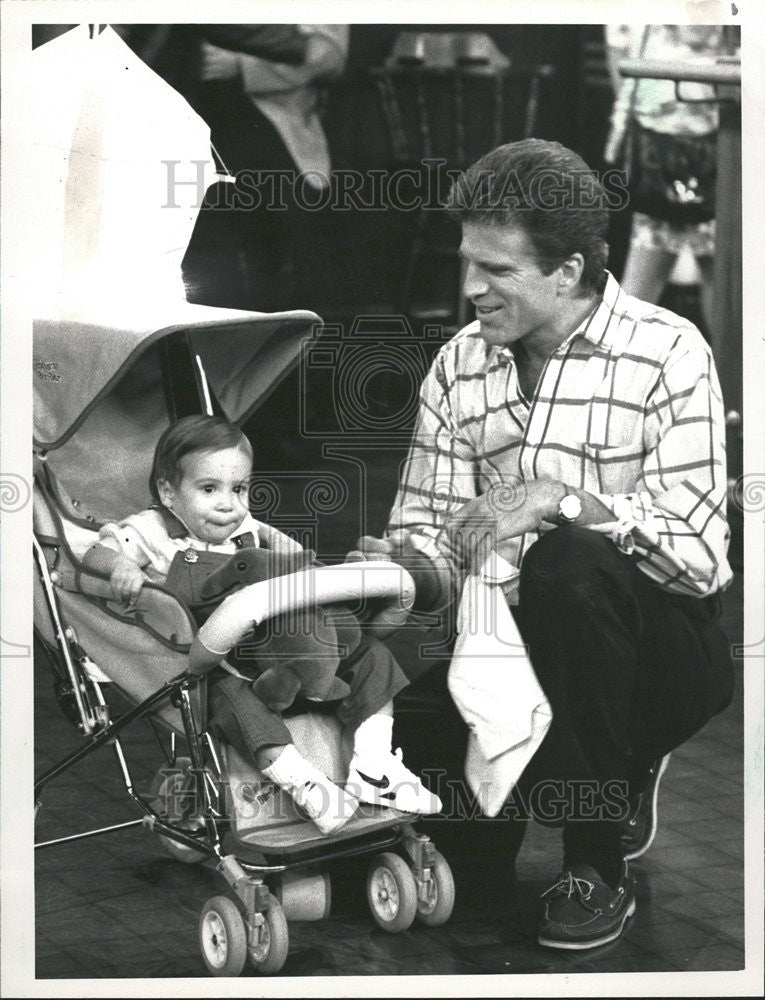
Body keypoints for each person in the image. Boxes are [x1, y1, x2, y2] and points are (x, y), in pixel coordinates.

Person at [355, 139, 734, 949]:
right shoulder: (460, 365)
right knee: (465, 874)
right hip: (508, 645)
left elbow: (701, 555)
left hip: (661, 652)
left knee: (568, 563)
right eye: (468, 262)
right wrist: (398, 570)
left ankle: (595, 857)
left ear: (566, 272)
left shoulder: (668, 352)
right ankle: (586, 773)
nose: (469, 289)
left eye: (496, 270)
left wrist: (566, 503)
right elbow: (427, 524)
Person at [82, 415, 441, 835]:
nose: (227, 504)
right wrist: (123, 566)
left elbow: (298, 563)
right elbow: (94, 554)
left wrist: (332, 580)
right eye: (209, 489)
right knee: (229, 702)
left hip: (289, 645)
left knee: (373, 657)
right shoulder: (153, 532)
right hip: (224, 662)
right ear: (168, 492)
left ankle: (374, 763)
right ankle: (306, 785)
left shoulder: (251, 530)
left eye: (240, 489)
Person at [604, 24, 729, 329]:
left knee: (724, 286)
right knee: (642, 286)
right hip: (666, 144)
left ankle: (731, 373)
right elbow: (620, 63)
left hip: (714, 142)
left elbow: (699, 34)